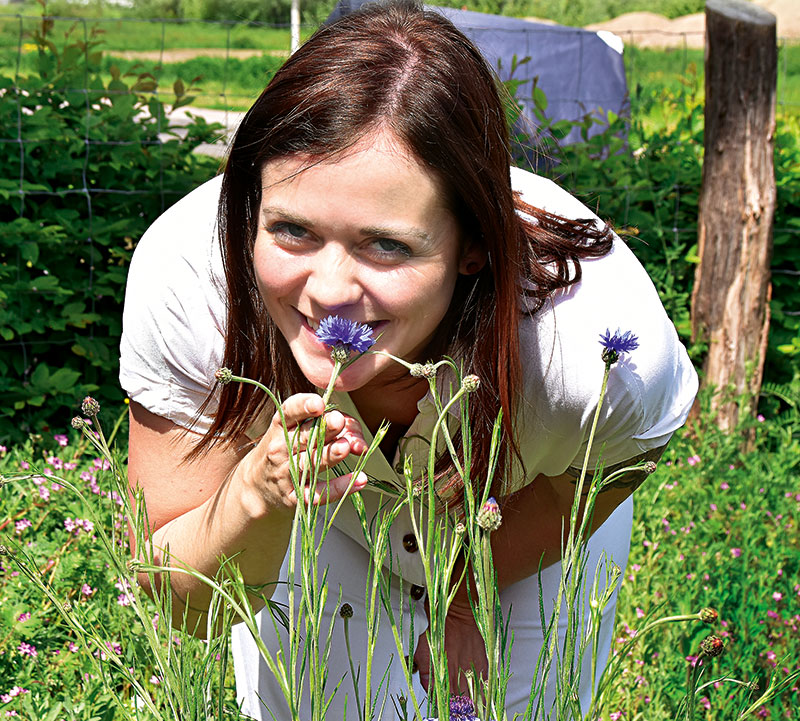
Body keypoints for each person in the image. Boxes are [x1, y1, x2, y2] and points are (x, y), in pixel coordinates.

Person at [120, 2, 698, 719]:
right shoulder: (189, 279)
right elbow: (186, 604)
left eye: (385, 245)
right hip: (313, 513)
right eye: (292, 230)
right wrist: (253, 496)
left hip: (514, 515)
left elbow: (630, 451)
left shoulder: (585, 341)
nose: (328, 292)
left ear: (473, 246)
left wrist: (466, 596)